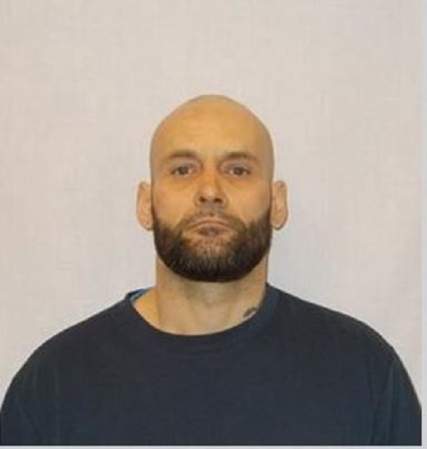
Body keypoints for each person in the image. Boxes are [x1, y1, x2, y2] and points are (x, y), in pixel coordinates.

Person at [0, 95, 421, 445]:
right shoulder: (55, 386)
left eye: (237, 170)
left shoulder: (362, 372)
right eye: (183, 169)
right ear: (145, 204)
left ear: (277, 203)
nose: (209, 191)